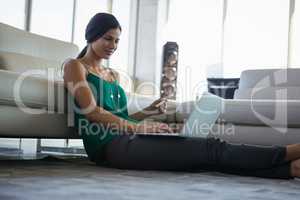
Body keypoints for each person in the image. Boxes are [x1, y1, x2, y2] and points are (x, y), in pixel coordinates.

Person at [63, 13, 300, 179]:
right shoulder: (75, 66)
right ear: (91, 35)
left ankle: (289, 170)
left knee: (202, 155)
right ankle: (287, 152)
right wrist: (142, 128)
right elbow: (92, 113)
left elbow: (122, 116)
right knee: (209, 150)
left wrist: (150, 112)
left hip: (127, 139)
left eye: (116, 40)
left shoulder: (112, 75)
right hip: (109, 148)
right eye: (107, 38)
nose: (113, 45)